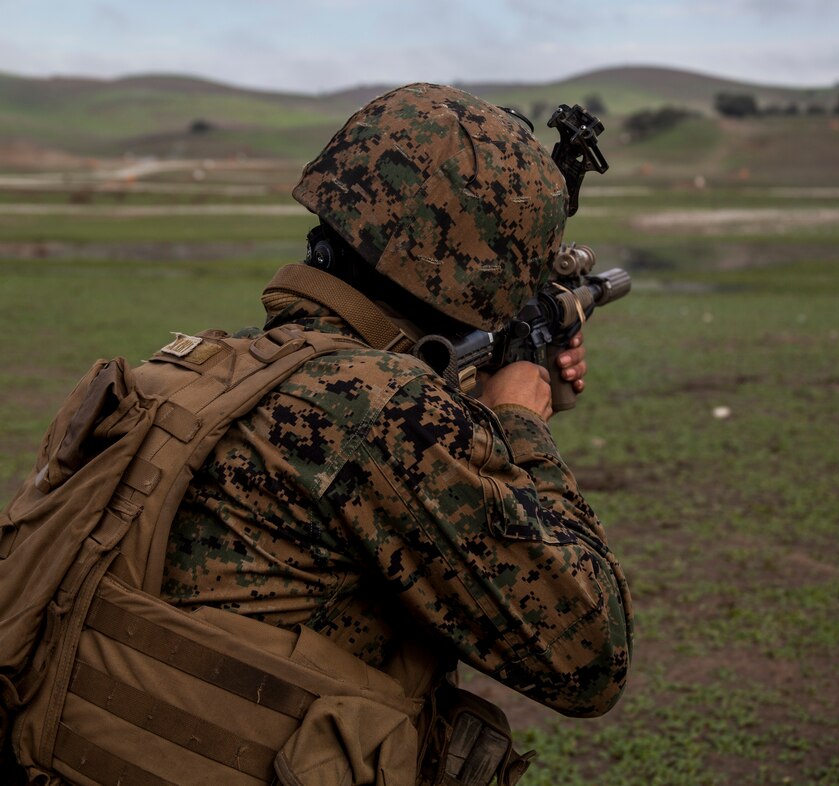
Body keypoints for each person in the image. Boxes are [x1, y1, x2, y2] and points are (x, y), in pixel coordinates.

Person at [154, 82, 633, 779]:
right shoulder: (387, 414)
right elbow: (590, 659)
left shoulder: (202, 368)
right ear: (469, 274)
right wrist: (520, 424)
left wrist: (513, 380)